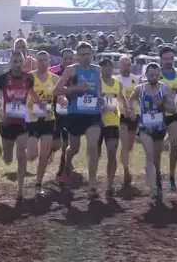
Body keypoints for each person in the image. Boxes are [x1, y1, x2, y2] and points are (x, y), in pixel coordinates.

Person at [53, 42, 104, 199]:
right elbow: (56, 91)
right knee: (74, 148)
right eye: (82, 54)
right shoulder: (71, 70)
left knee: (92, 147)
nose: (86, 57)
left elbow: (99, 87)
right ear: (77, 56)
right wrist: (75, 89)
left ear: (92, 54)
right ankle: (68, 158)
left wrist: (100, 98)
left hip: (93, 115)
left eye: (88, 54)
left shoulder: (97, 70)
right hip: (75, 115)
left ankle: (92, 185)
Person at [0, 50, 34, 204]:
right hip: (7, 124)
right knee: (8, 159)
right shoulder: (2, 79)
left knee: (21, 153)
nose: (17, 64)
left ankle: (20, 189)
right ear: (10, 62)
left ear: (24, 61)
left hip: (22, 123)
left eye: (20, 61)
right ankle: (3, 151)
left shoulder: (29, 78)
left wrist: (37, 108)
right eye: (15, 61)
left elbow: (32, 95)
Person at [128, 62, 175, 200]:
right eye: (151, 75)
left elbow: (173, 109)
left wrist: (163, 103)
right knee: (149, 154)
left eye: (156, 75)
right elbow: (131, 99)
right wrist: (132, 111)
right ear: (146, 75)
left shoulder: (165, 88)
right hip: (144, 128)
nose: (154, 77)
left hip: (160, 128)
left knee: (156, 157)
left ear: (159, 75)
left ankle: (157, 179)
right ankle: (153, 187)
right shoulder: (140, 89)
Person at [26, 51, 60, 197]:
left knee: (44, 154)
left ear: (49, 62)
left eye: (45, 60)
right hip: (32, 120)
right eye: (40, 60)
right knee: (32, 155)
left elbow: (60, 93)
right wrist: (37, 101)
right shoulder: (30, 77)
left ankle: (38, 183)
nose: (42, 63)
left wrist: (63, 98)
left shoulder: (55, 79)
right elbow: (27, 89)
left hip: (48, 120)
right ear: (36, 62)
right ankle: (23, 152)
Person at [158, 46, 177, 192]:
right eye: (166, 59)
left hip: (174, 116)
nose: (169, 61)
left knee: (174, 145)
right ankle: (157, 175)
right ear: (160, 58)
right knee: (157, 148)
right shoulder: (156, 74)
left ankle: (172, 176)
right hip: (158, 115)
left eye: (171, 58)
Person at [97, 58, 123, 196]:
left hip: (112, 122)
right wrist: (101, 106)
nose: (107, 68)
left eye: (110, 65)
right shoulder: (96, 83)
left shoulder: (117, 83)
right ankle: (92, 182)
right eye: (104, 66)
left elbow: (121, 100)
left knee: (112, 153)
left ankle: (109, 185)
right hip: (97, 121)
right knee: (96, 155)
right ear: (100, 68)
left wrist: (128, 111)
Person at [49, 48, 75, 183]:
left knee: (67, 142)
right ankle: (51, 153)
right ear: (61, 59)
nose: (68, 61)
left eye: (71, 58)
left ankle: (63, 167)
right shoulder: (53, 72)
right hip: (55, 111)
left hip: (71, 111)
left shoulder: (78, 73)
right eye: (66, 58)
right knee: (55, 143)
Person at [117, 55, 139, 186]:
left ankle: (125, 164)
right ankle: (126, 171)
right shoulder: (115, 80)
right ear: (119, 66)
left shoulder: (136, 80)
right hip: (121, 116)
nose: (127, 67)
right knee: (124, 145)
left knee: (130, 146)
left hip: (134, 116)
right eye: (124, 64)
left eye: (129, 64)